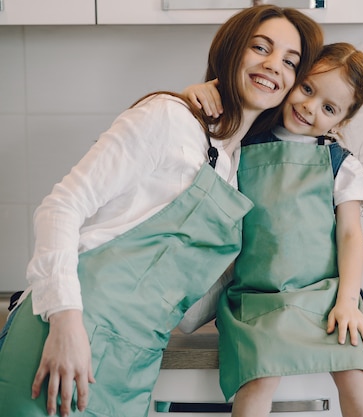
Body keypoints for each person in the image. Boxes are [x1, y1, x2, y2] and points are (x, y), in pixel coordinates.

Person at [0, 6, 323, 417]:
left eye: (290, 62)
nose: (273, 65)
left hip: (134, 361)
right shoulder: (170, 118)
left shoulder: (233, 170)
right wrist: (66, 324)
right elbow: (61, 207)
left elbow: (187, 316)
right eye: (260, 47)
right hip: (67, 335)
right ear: (231, 51)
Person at [183, 42, 363, 417]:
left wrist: (347, 302)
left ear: (341, 121)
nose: (310, 107)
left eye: (328, 108)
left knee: (355, 376)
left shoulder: (340, 165)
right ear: (293, 78)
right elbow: (195, 140)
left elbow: (349, 236)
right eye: (308, 89)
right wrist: (192, 97)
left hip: (325, 297)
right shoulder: (240, 144)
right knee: (258, 378)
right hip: (257, 298)